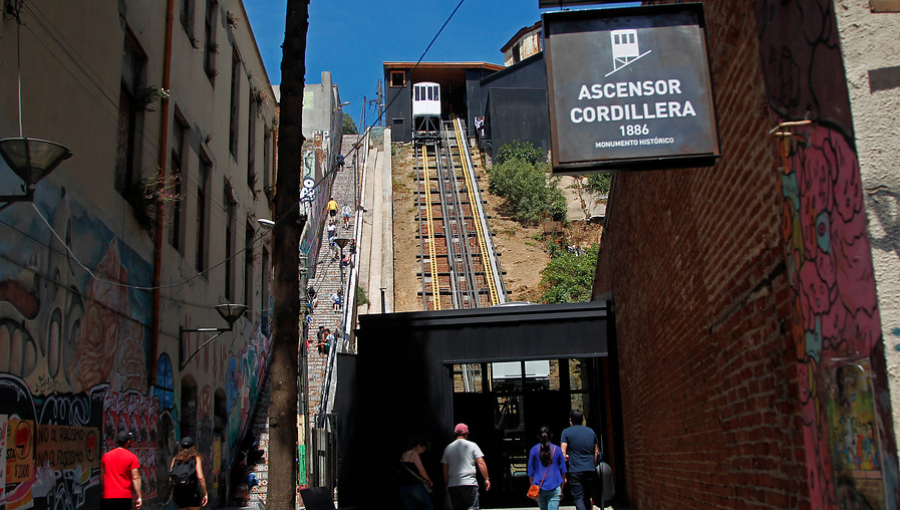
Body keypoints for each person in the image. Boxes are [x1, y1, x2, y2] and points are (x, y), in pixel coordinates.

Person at [441, 423, 490, 510]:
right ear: (466, 433)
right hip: (469, 483)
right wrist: (486, 478)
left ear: (455, 434)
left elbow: (445, 467)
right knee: (472, 507)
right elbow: (481, 462)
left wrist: (446, 483)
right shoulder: (472, 446)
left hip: (453, 484)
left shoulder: (448, 448)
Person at [561, 409, 600, 510]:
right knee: (587, 497)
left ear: (571, 420)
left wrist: (563, 472)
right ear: (582, 419)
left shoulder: (566, 432)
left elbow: (562, 453)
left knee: (578, 498)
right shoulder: (591, 432)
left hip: (575, 470)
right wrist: (593, 465)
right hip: (590, 469)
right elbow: (596, 452)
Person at [527, 426, 566, 510]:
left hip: (539, 487)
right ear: (551, 436)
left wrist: (532, 487)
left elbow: (530, 473)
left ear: (538, 436)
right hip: (555, 486)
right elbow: (563, 471)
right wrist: (562, 489)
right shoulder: (557, 450)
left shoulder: (533, 450)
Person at [101, 430, 142, 510]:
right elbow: (136, 478)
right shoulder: (132, 457)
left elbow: (102, 478)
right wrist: (139, 496)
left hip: (107, 497)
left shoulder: (105, 457)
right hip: (124, 497)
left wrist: (104, 492)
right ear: (127, 443)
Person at [169, 436, 207, 510]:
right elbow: (200, 477)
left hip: (179, 492)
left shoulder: (175, 459)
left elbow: (170, 478)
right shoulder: (195, 458)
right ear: (193, 447)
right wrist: (205, 493)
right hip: (192, 490)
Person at [399, 436, 434, 510]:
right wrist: (428, 480)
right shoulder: (414, 454)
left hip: (403, 487)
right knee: (429, 506)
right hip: (413, 486)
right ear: (418, 445)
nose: (422, 451)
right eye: (423, 449)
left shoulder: (404, 454)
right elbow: (421, 470)